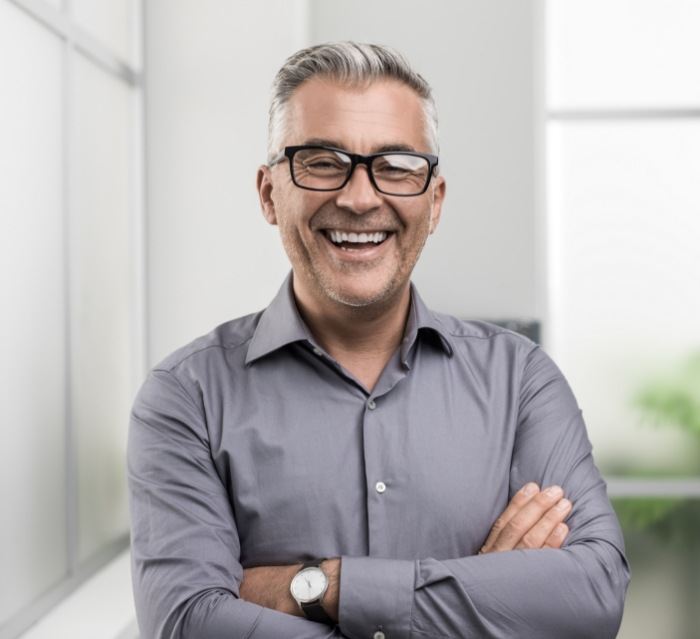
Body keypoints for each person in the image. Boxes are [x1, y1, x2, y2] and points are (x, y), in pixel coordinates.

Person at [127, 42, 630, 639]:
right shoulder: (186, 399)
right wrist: (482, 599)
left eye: (396, 165)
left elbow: (592, 595)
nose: (361, 198)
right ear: (269, 194)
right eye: (320, 161)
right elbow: (189, 622)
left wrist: (322, 585)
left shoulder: (521, 380)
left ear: (434, 200)